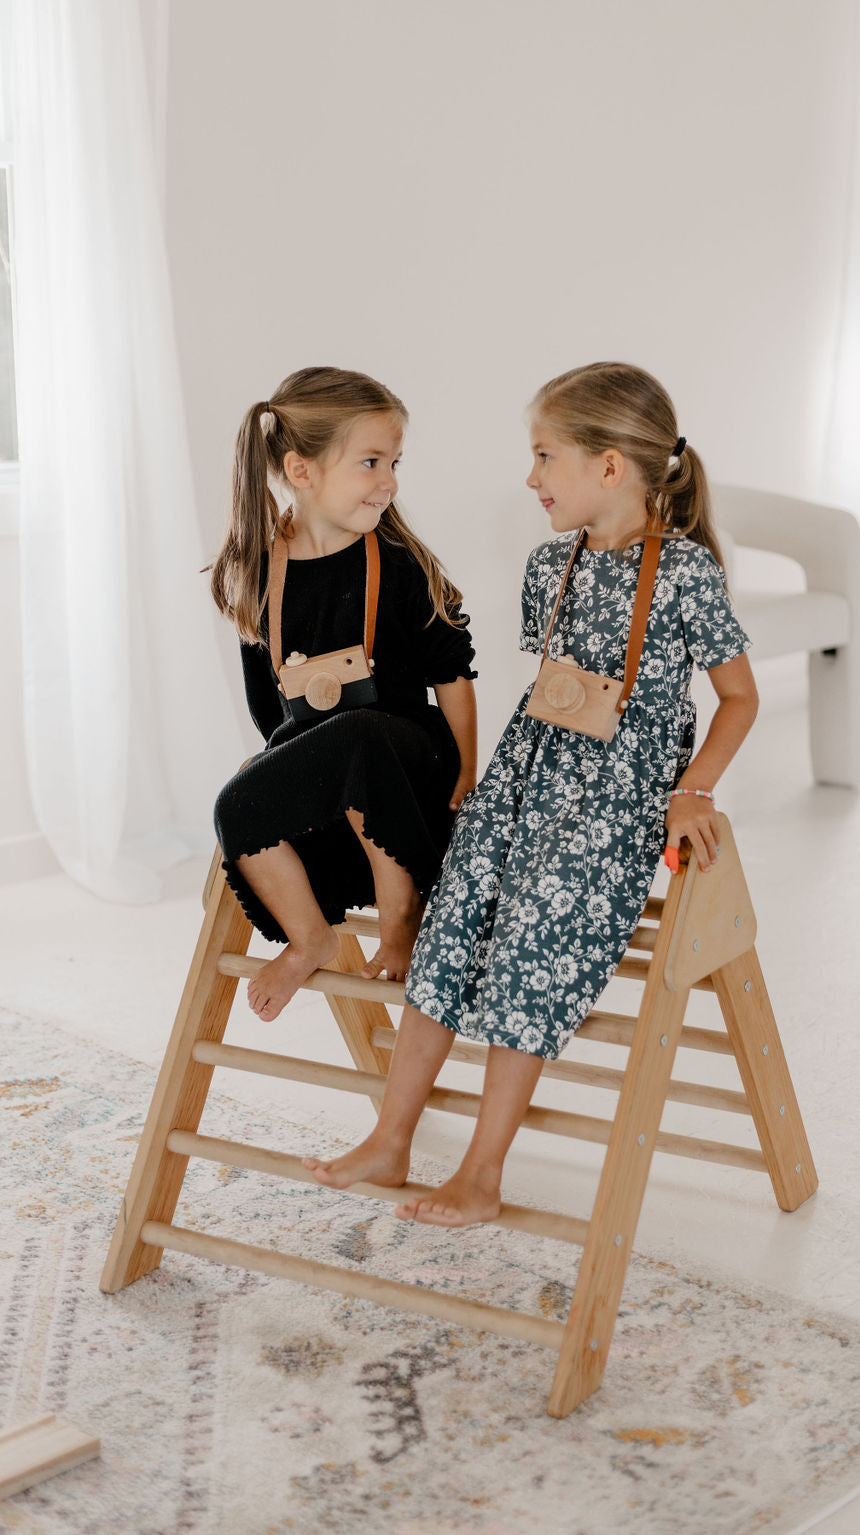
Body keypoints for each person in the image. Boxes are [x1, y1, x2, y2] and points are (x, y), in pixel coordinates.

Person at [303, 361, 758, 1226]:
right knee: (449, 930)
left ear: (610, 465)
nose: (532, 476)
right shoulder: (550, 562)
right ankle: (391, 1135)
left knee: (529, 947)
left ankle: (481, 1171)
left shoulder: (689, 576)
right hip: (525, 780)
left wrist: (692, 788)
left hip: (610, 809)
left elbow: (740, 696)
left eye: (546, 456)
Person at [210, 366, 477, 1022]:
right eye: (370, 462)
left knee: (360, 734)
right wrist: (276, 769)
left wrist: (469, 770)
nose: (388, 480)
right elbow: (268, 706)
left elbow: (451, 672)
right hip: (330, 774)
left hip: (411, 765)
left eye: (393, 462)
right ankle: (310, 936)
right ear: (302, 471)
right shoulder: (257, 572)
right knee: (234, 806)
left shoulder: (397, 561)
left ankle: (402, 911)